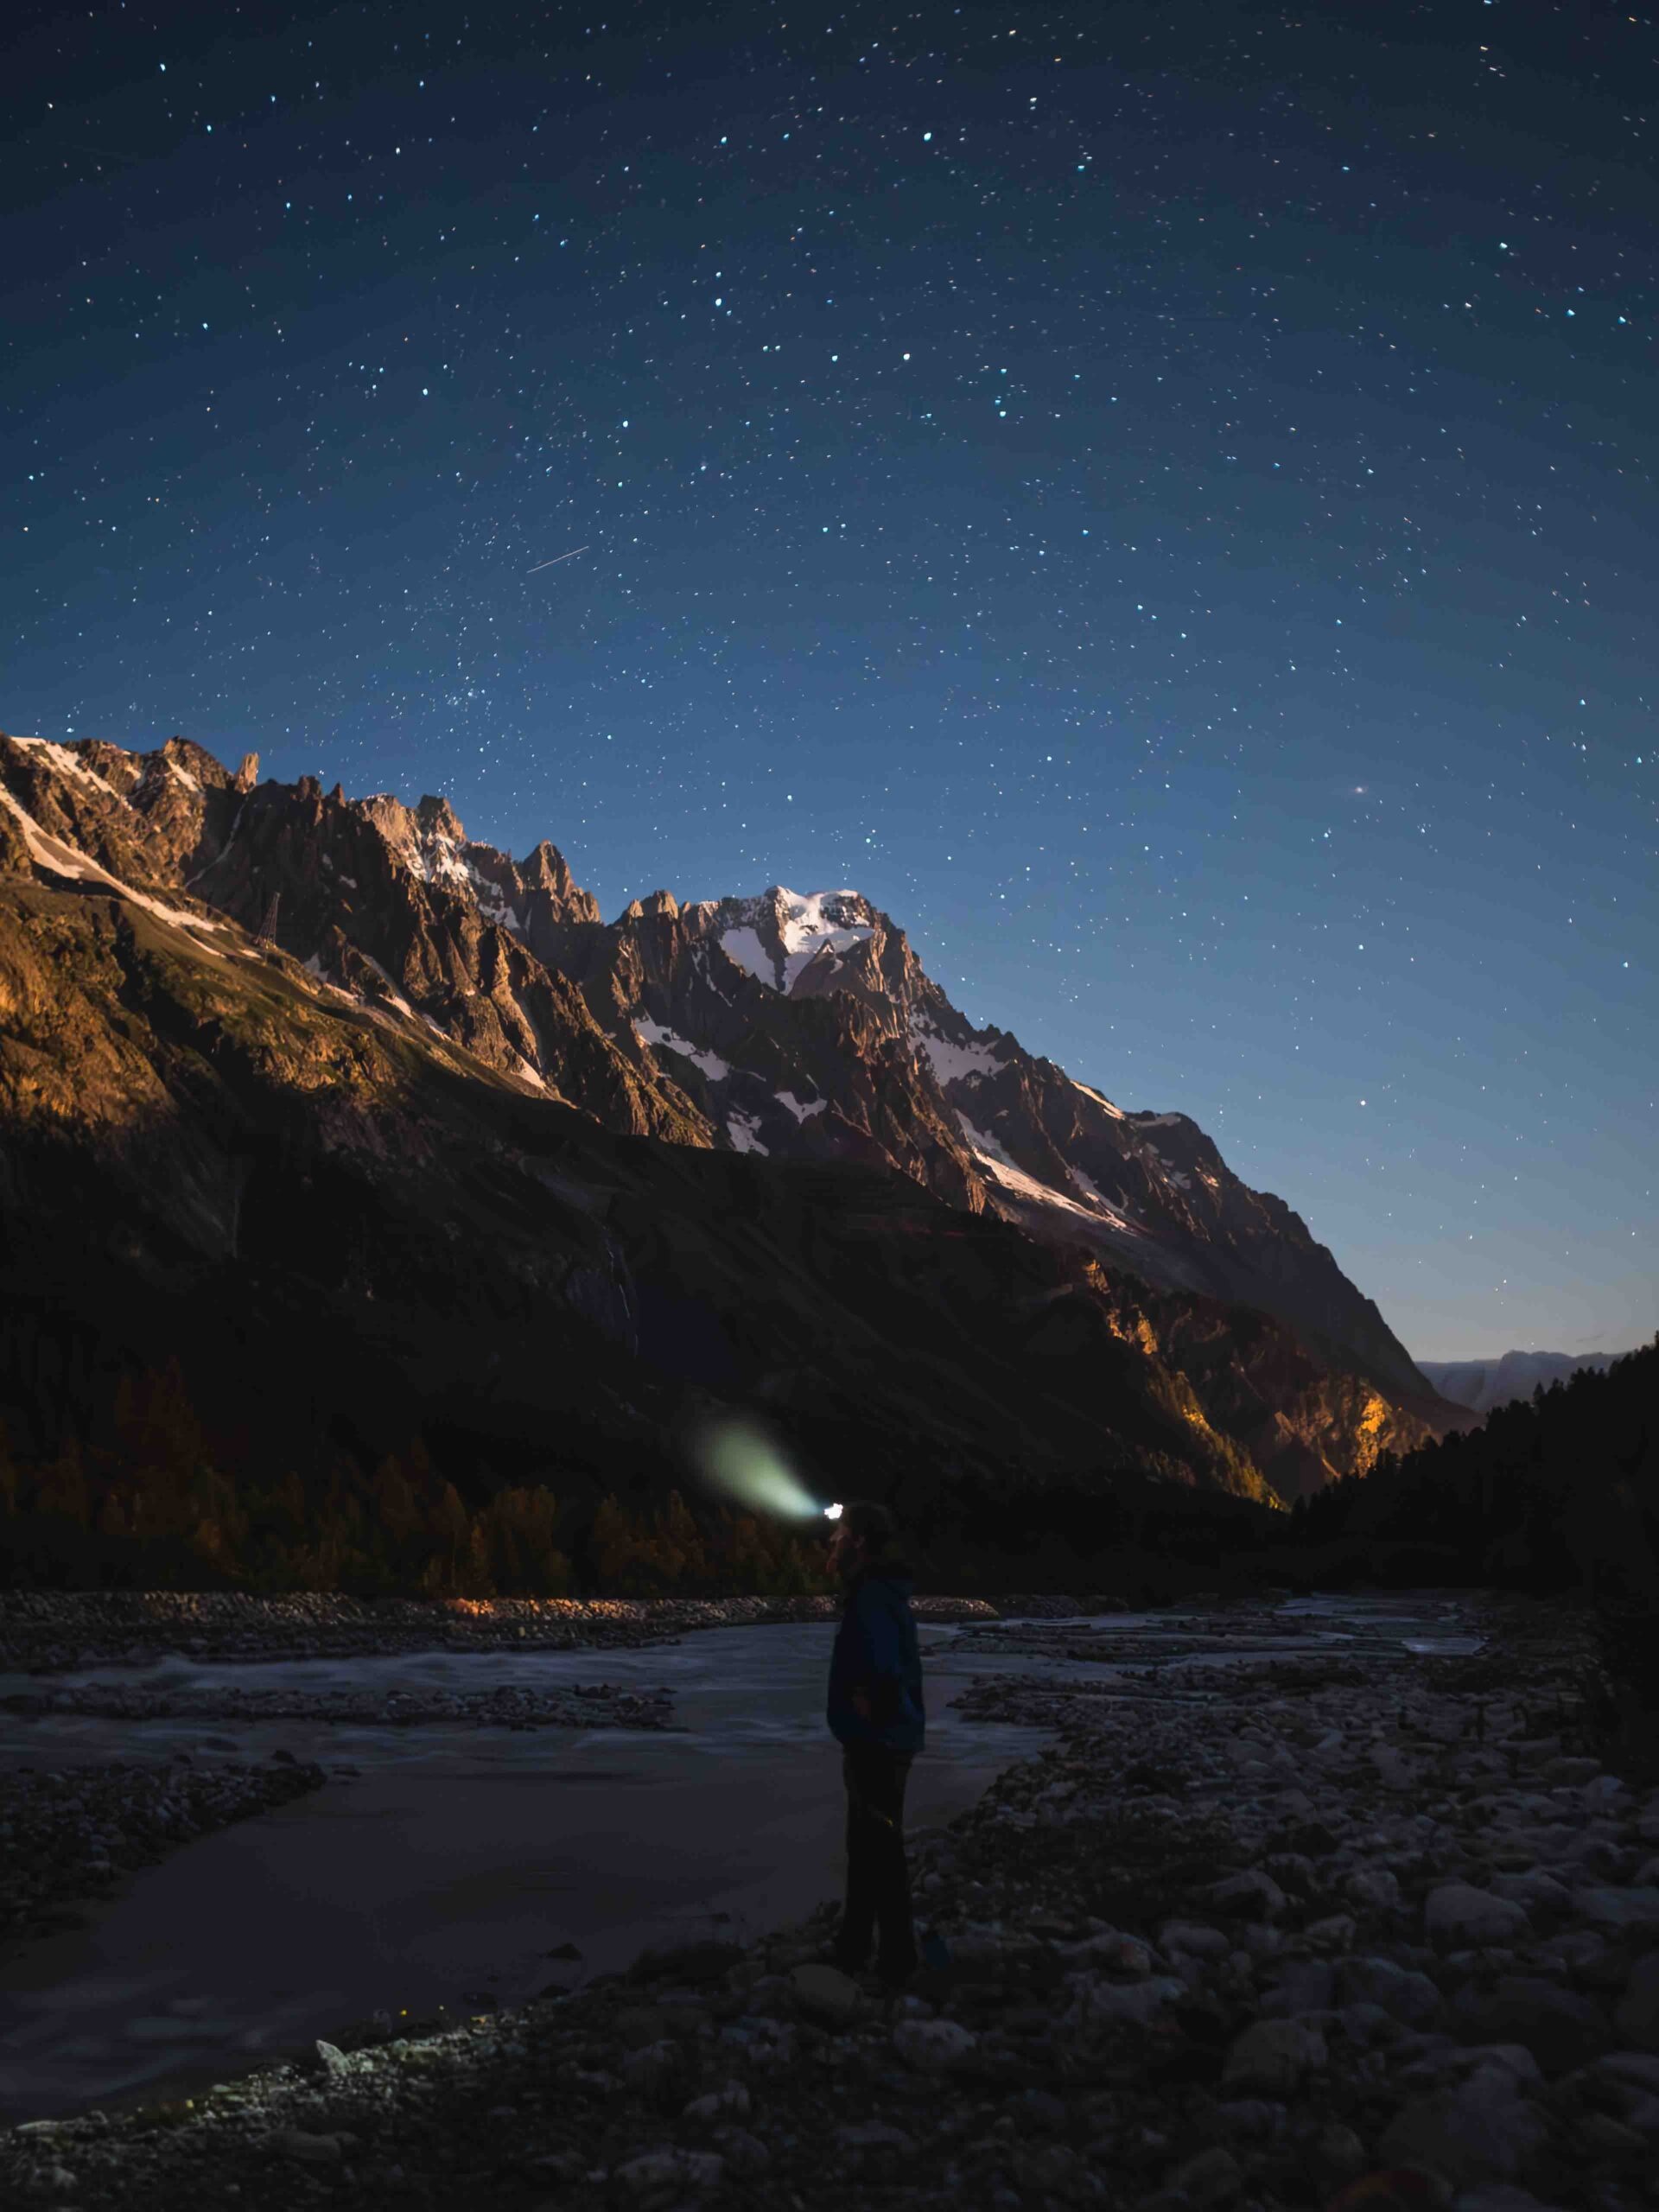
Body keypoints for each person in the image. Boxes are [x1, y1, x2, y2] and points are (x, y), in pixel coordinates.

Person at [823, 1499, 925, 1987]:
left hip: (878, 1743)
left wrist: (867, 1716)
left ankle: (896, 1958)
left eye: (839, 1536)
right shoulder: (880, 1592)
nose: (831, 1544)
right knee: (867, 1845)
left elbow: (882, 1670)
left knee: (878, 1846)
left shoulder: (872, 1596)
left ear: (859, 1542)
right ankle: (857, 1946)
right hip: (884, 1738)